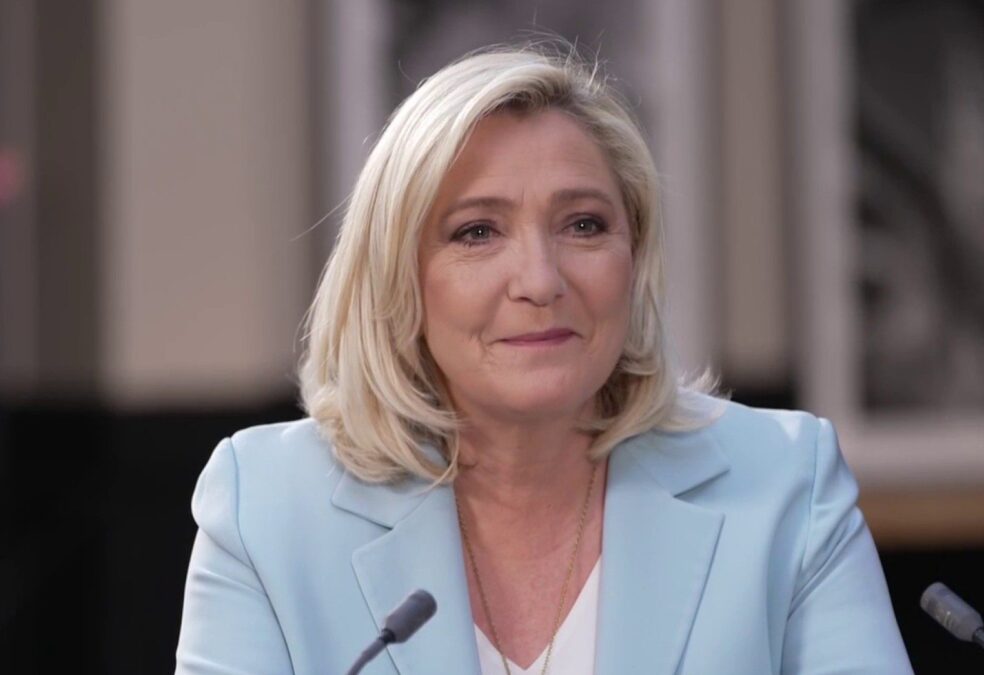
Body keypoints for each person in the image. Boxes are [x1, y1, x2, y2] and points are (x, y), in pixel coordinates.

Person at [175, 44, 913, 675]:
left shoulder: (786, 486)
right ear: (397, 277)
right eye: (477, 232)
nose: (540, 280)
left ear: (634, 257)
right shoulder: (266, 509)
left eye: (583, 225)